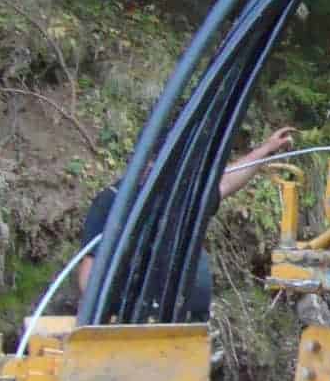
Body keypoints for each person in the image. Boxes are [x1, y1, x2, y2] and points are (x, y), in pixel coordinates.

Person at [74, 126, 296, 320]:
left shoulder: (180, 198)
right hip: (133, 322)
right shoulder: (113, 202)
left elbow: (225, 181)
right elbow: (90, 271)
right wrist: (100, 320)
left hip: (184, 323)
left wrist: (266, 149)